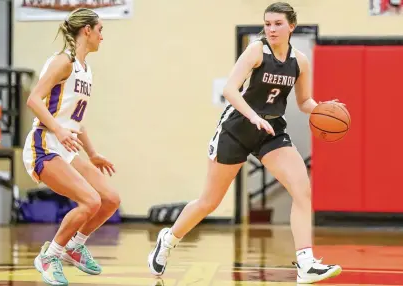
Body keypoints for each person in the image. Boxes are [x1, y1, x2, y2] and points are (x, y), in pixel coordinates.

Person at [148, 2, 343, 284]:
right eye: (267, 23)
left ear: (292, 26)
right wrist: (253, 117)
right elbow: (230, 89)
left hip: (271, 131)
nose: (271, 29)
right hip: (237, 128)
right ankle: (168, 239)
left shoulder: (299, 61)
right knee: (209, 202)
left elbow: (303, 102)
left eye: (277, 23)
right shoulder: (256, 50)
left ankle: (306, 263)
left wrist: (324, 108)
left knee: (302, 189)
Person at [22, 8, 120, 286]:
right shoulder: (62, 62)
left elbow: (77, 121)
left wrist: (93, 153)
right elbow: (33, 100)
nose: (103, 37)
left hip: (66, 146)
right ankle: (50, 256)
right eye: (100, 30)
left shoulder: (85, 69)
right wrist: (58, 129)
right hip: (43, 145)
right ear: (86, 30)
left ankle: (75, 247)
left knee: (110, 199)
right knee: (90, 201)